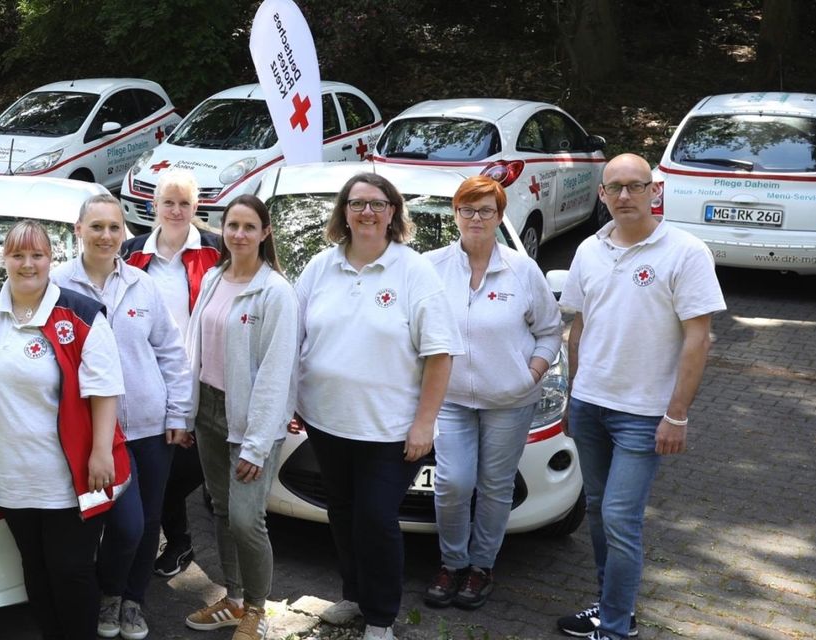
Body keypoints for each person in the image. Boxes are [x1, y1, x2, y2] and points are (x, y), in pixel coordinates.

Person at [0, 220, 130, 640]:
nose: (27, 264)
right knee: (35, 568)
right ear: (4, 258)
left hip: (70, 475)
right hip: (11, 472)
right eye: (18, 255)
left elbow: (106, 389)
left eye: (37, 255)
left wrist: (99, 452)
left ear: (50, 259)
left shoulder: (80, 315)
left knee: (71, 571)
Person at [554, 155, 722, 640]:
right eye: (615, 188)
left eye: (635, 186)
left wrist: (678, 414)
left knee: (620, 518)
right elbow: (578, 326)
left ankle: (614, 629)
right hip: (589, 406)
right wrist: (573, 392)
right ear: (601, 195)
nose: (625, 196)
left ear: (655, 191)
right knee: (598, 510)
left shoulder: (686, 252)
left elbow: (698, 338)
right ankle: (613, 608)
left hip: (645, 416)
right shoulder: (589, 249)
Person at [296, 173, 458, 640]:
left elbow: (440, 354)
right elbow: (295, 337)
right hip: (326, 421)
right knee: (342, 513)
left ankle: (382, 617)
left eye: (378, 204)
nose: (367, 212)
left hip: (389, 430)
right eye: (357, 203)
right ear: (343, 212)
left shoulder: (414, 272)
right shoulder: (320, 267)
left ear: (393, 213)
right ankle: (354, 594)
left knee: (375, 519)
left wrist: (424, 424)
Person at [420, 176, 563, 611]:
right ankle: (452, 562)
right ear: (455, 214)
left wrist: (531, 374)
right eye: (468, 209)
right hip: (451, 399)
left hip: (511, 400)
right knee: (453, 482)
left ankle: (481, 568)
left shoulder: (522, 269)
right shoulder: (430, 266)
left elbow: (550, 330)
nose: (476, 218)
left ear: (500, 216)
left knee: (496, 486)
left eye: (486, 210)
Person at [53, 195, 190, 640]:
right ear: (78, 230)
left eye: (114, 228)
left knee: (148, 520)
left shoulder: (141, 284)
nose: (106, 236)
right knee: (119, 521)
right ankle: (110, 591)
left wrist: (178, 412)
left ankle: (132, 602)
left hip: (149, 425)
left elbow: (171, 352)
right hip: (93, 431)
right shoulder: (57, 287)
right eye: (96, 227)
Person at [181, 195, 300, 639]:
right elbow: (194, 349)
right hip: (209, 411)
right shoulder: (214, 277)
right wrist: (185, 411)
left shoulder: (276, 292)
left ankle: (256, 609)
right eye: (233, 225)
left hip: (251, 420)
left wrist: (256, 442)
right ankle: (231, 599)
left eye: (250, 227)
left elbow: (276, 372)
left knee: (248, 520)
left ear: (265, 233)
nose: (239, 234)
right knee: (221, 509)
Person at [119, 170, 221, 578]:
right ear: (153, 206)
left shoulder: (216, 249)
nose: (176, 211)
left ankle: (172, 539)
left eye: (185, 203)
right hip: (145, 380)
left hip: (202, 379)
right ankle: (177, 542)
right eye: (168, 203)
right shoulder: (130, 252)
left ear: (197, 208)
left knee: (185, 469)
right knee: (159, 465)